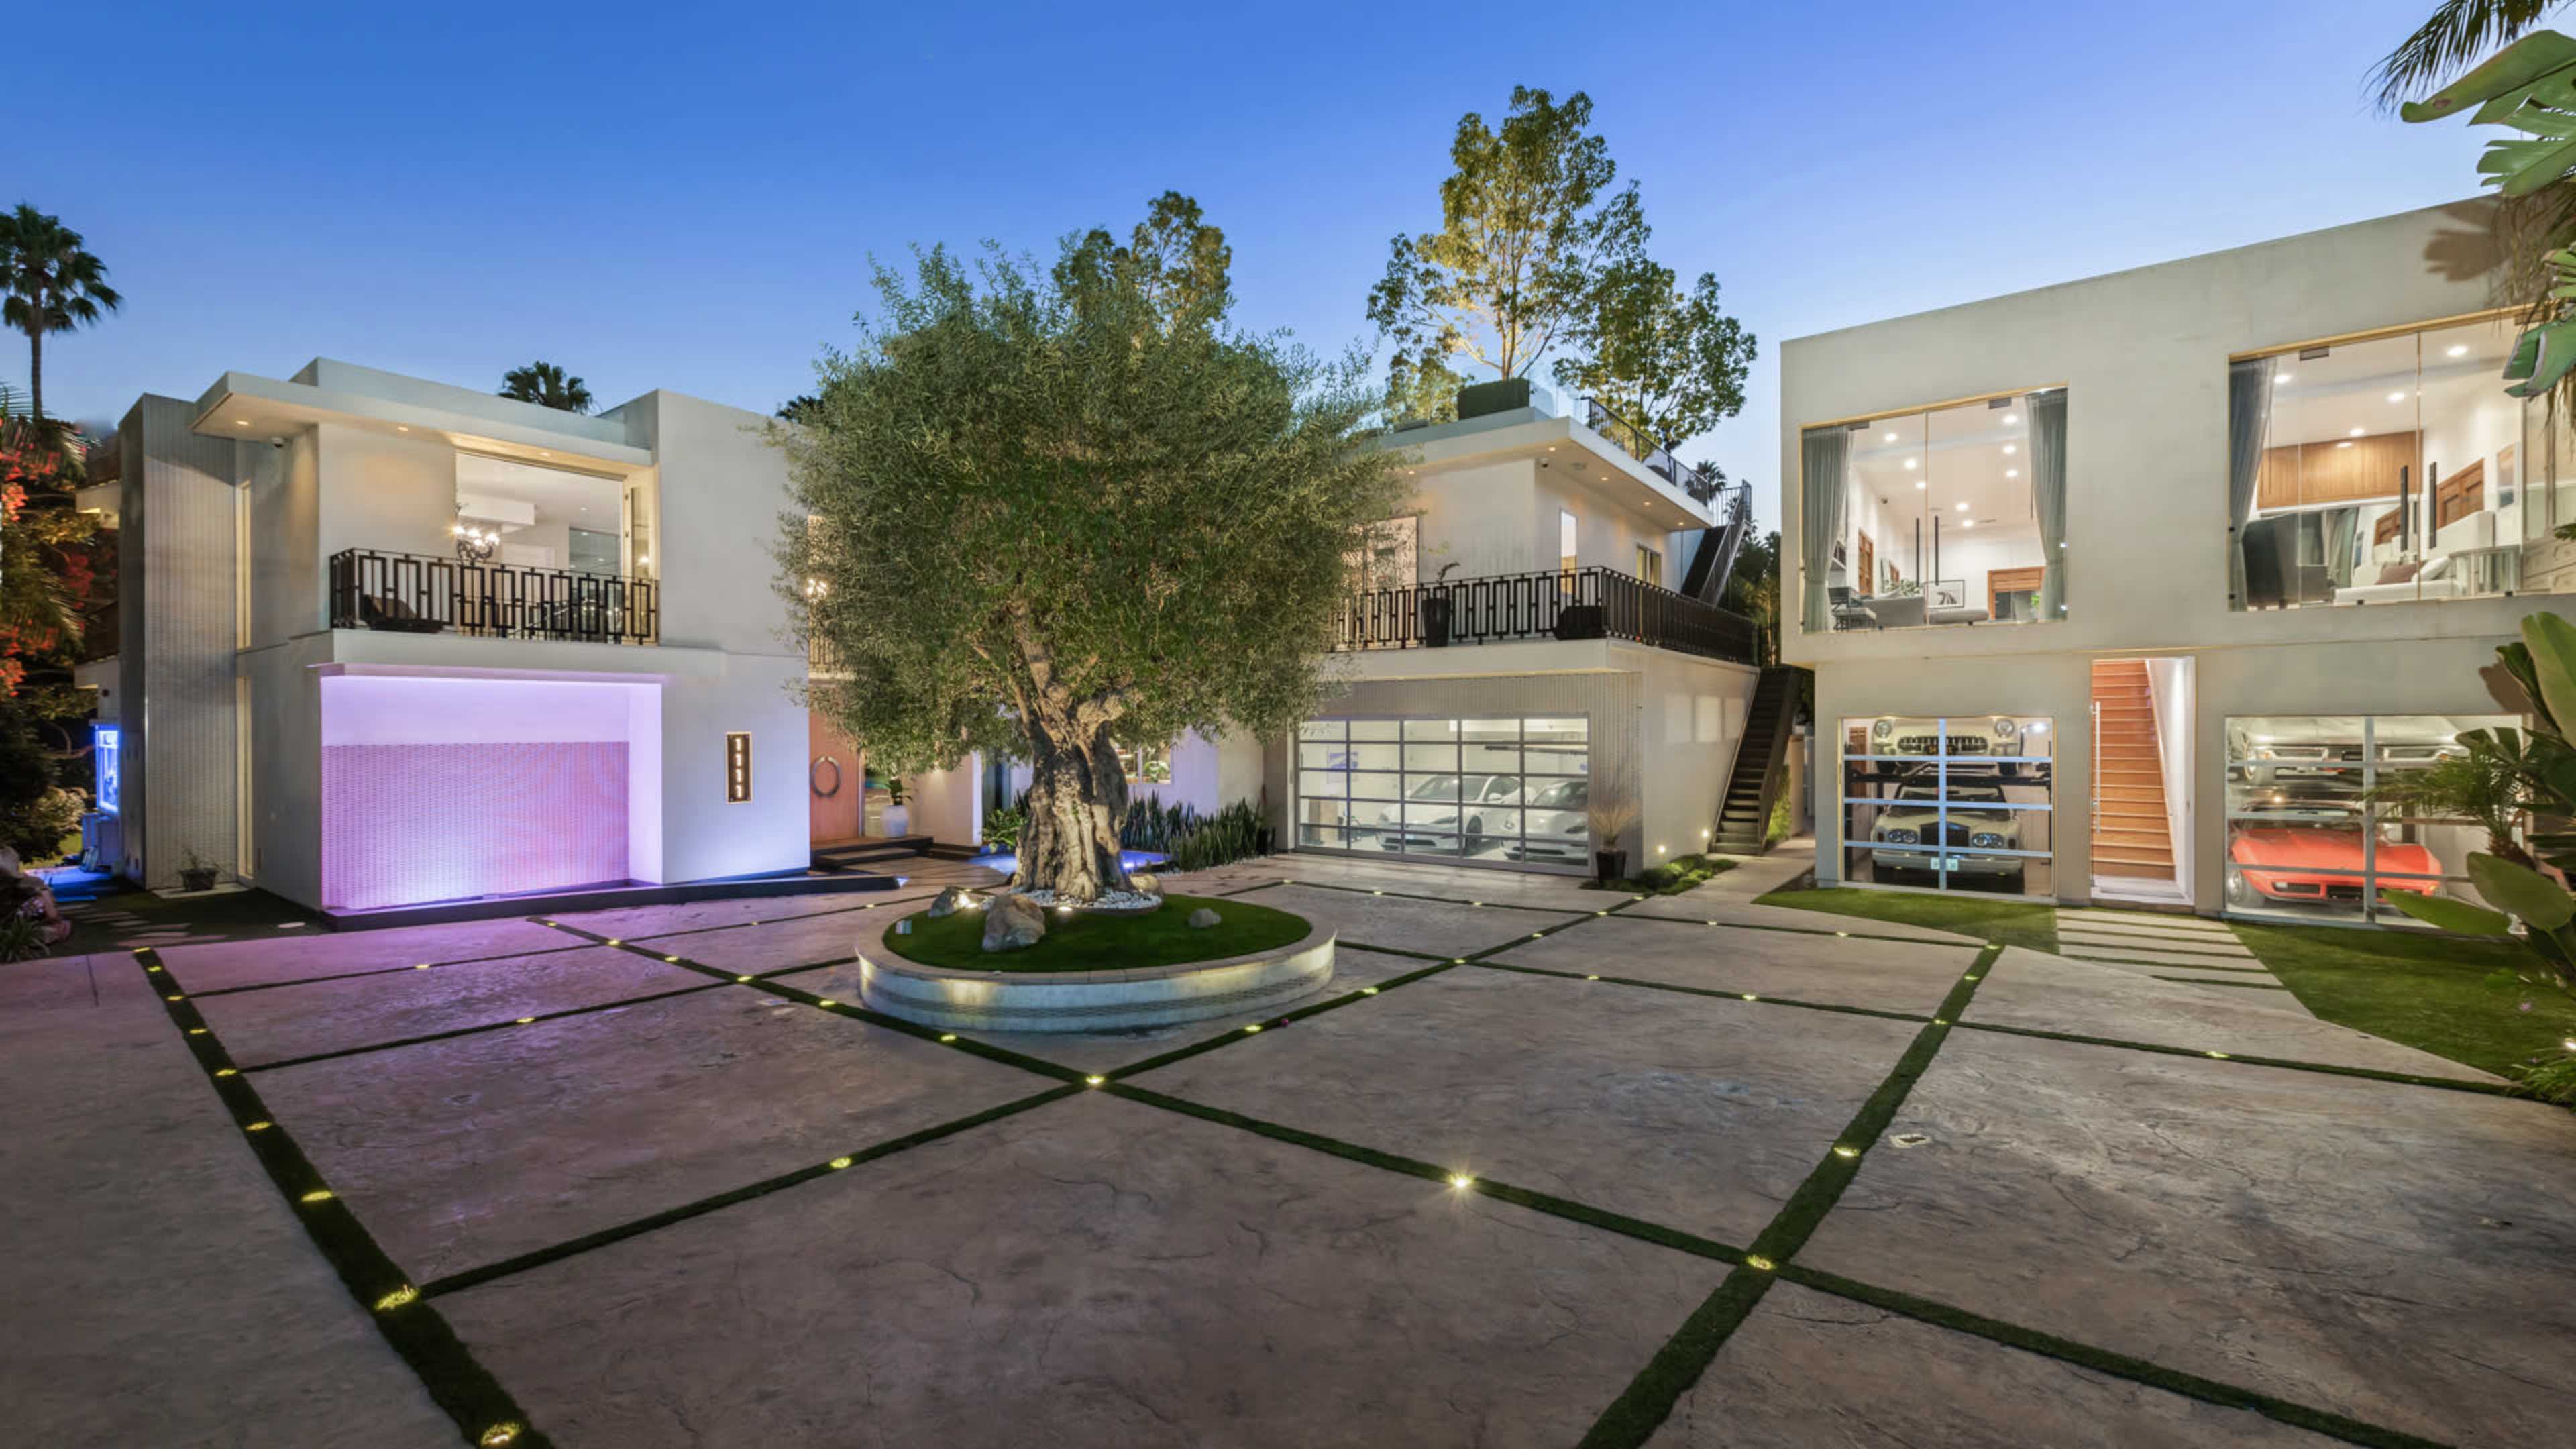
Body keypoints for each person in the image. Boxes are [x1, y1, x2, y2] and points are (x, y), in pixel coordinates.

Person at [0, 846, 74, 947]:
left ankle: (51, 930)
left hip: (20, 922)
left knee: (40, 901)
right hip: (10, 924)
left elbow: (52, 913)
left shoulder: (27, 884)